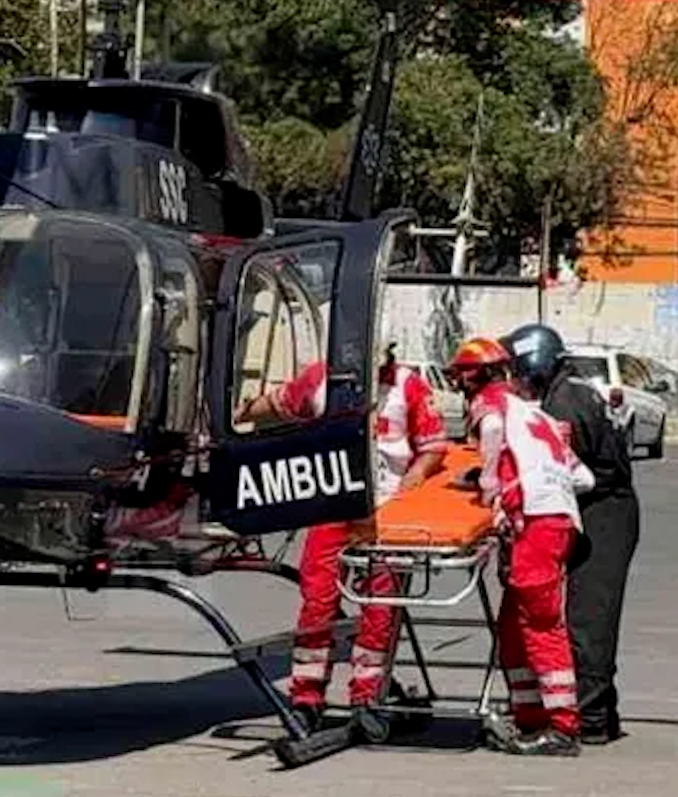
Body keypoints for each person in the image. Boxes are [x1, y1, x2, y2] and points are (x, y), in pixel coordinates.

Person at [236, 344, 450, 734]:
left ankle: (367, 695)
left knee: (380, 608)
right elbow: (280, 403)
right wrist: (239, 413)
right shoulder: (320, 379)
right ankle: (307, 697)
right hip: (332, 507)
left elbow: (433, 448)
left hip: (385, 511)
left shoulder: (409, 385)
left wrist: (412, 482)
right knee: (317, 601)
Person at [446, 337, 591, 757]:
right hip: (556, 520)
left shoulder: (489, 402)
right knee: (512, 624)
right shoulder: (535, 414)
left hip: (538, 523)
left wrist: (490, 480)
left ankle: (562, 727)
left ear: (473, 376)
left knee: (541, 624)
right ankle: (529, 716)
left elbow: (491, 429)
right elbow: (583, 478)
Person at [501, 323, 640, 746]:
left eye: (516, 370)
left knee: (588, 617)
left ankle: (590, 715)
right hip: (598, 502)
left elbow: (559, 470)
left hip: (604, 508)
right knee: (587, 615)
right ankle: (599, 713)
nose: (514, 381)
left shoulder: (564, 403)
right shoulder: (569, 391)